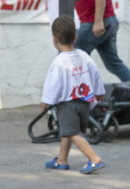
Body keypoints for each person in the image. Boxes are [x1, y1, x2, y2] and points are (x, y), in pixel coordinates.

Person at [41, 15, 106, 174]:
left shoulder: (59, 62)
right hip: (84, 103)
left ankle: (94, 158)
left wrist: (46, 102)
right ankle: (61, 160)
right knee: (67, 131)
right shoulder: (84, 55)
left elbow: (52, 84)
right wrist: (99, 91)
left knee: (72, 133)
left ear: (54, 39)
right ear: (75, 37)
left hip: (68, 104)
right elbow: (95, 73)